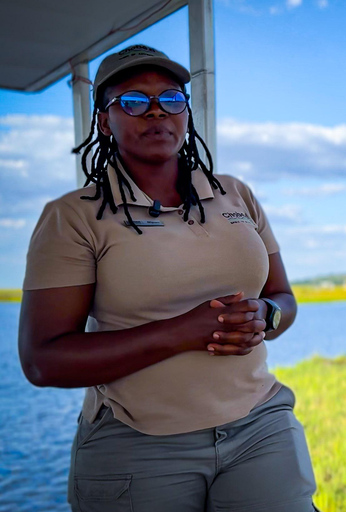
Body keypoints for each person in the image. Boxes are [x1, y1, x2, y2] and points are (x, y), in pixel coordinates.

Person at [18, 44, 319, 512]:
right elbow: (44, 360)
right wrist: (183, 332)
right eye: (134, 102)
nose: (156, 112)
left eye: (171, 99)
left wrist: (267, 315)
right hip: (141, 440)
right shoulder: (74, 218)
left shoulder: (235, 194)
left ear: (186, 112)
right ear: (104, 120)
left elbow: (283, 297)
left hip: (260, 425)